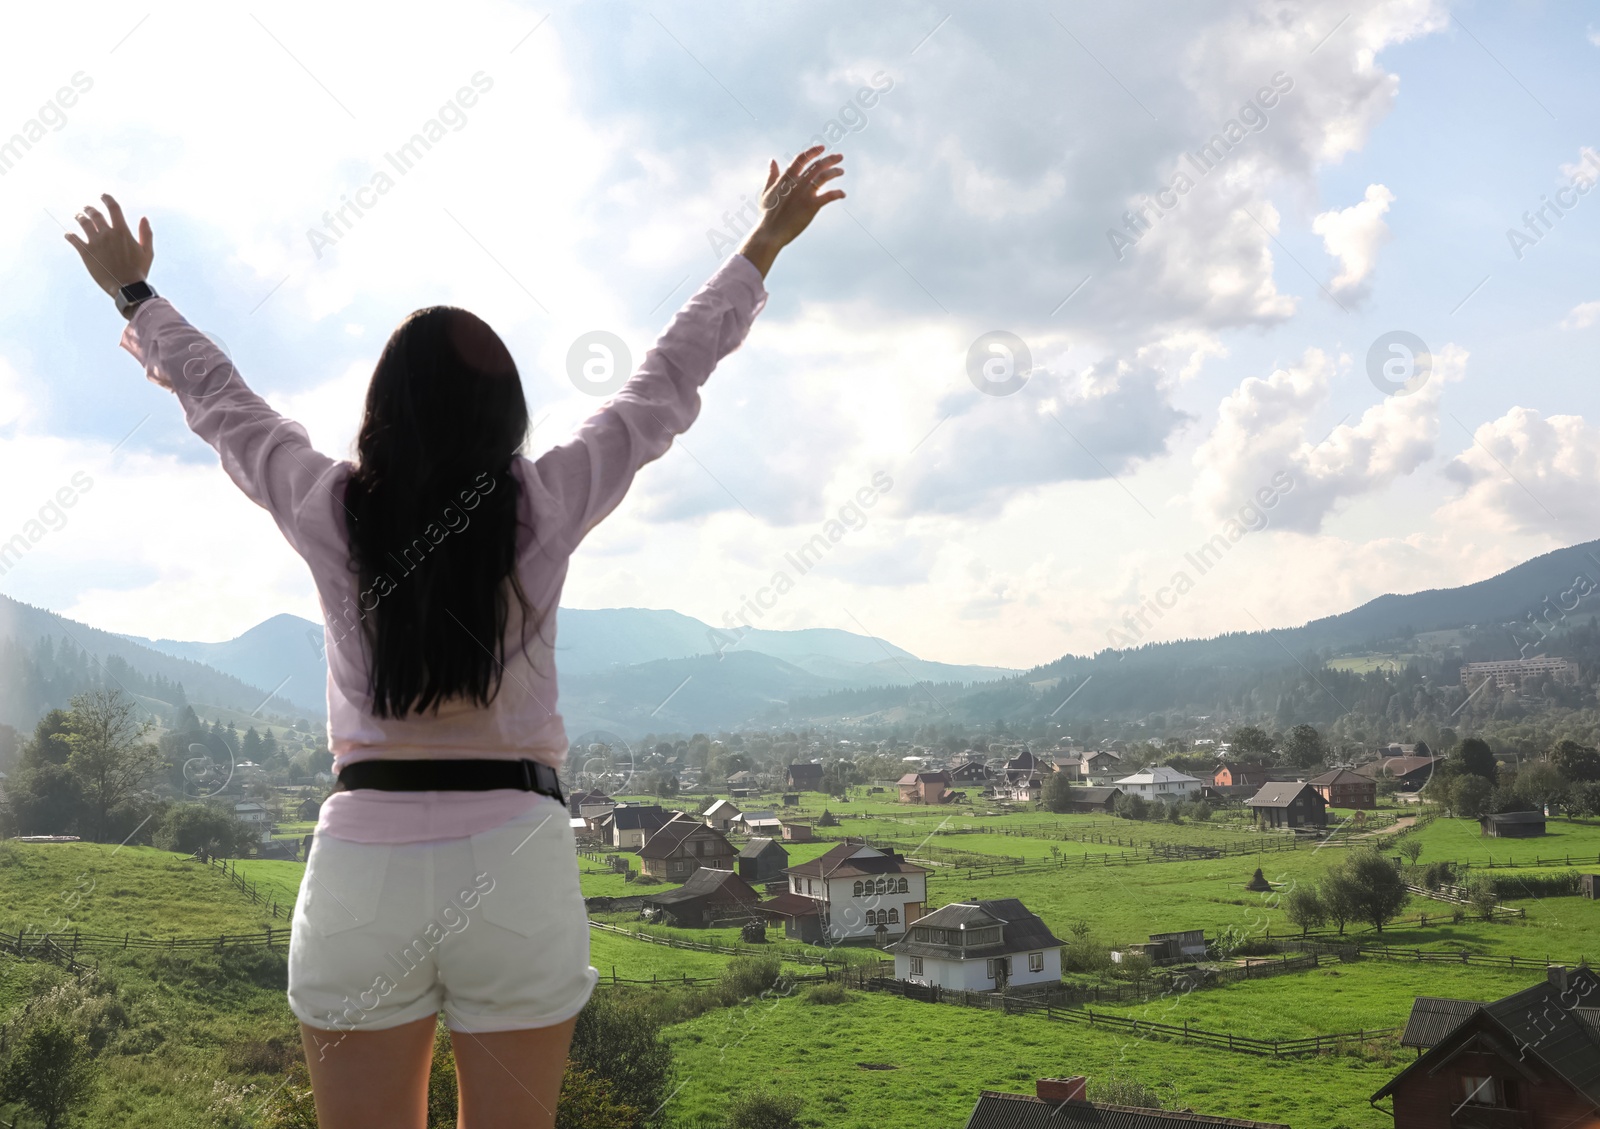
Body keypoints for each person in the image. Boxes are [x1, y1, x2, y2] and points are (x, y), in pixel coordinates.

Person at [64, 144, 845, 1129]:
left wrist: (133, 291)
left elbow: (221, 403)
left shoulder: (330, 506)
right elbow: (661, 388)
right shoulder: (544, 501)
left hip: (360, 868)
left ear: (378, 414)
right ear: (506, 412)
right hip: (515, 858)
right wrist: (761, 244)